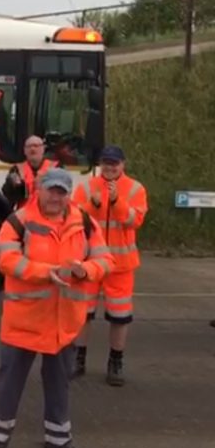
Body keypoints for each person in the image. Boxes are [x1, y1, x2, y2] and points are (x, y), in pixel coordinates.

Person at [0, 168, 112, 448]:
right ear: (38, 190)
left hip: (64, 322)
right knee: (9, 383)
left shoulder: (86, 223)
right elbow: (7, 261)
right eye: (51, 189)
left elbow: (106, 260)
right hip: (24, 320)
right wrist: (46, 273)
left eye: (62, 191)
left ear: (68, 194)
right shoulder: (18, 221)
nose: (56, 196)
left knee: (59, 385)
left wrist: (85, 271)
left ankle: (59, 442)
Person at [71, 145, 148, 385]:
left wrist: (117, 201)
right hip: (90, 263)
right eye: (106, 163)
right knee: (83, 313)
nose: (110, 167)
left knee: (120, 316)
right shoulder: (86, 186)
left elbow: (135, 221)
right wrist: (92, 205)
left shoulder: (135, 188)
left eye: (114, 163)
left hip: (120, 265)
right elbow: (74, 218)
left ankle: (116, 361)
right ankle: (78, 358)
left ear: (123, 165)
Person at [2, 136, 57, 211]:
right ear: (24, 151)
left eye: (36, 146)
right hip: (25, 217)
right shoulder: (17, 169)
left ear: (43, 149)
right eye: (29, 146)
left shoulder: (56, 168)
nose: (32, 149)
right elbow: (9, 198)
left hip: (48, 215)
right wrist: (13, 186)